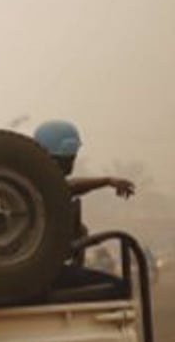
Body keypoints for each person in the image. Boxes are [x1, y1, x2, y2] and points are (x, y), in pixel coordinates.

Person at [34, 120, 135, 291]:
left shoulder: (26, 182)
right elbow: (69, 187)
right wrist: (107, 181)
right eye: (72, 156)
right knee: (118, 287)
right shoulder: (41, 184)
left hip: (40, 273)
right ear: (66, 154)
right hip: (46, 274)